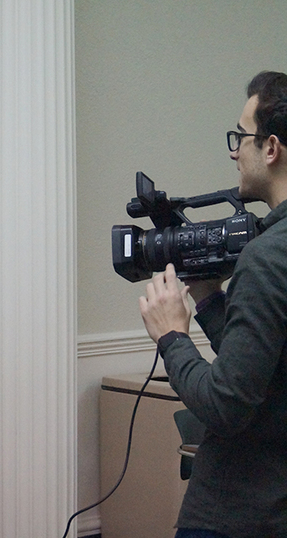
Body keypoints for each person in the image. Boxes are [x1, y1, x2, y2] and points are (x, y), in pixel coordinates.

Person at [139, 71, 287, 538]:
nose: (233, 150)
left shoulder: (266, 258)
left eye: (240, 137)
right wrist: (207, 297)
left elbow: (227, 404)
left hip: (241, 512)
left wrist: (172, 337)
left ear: (271, 148)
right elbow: (266, 366)